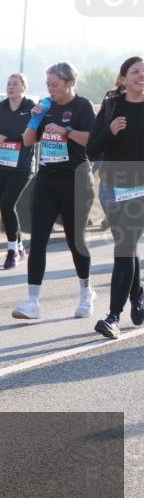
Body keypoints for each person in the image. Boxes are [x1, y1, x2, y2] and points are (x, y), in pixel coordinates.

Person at [12, 63, 96, 321]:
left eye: (55, 85)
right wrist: (35, 117)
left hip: (75, 180)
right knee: (37, 240)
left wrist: (66, 131)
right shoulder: (45, 105)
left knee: (75, 240)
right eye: (48, 85)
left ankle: (85, 292)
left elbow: (91, 139)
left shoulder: (82, 106)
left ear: (69, 83)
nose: (51, 90)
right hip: (47, 179)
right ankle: (32, 301)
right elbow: (27, 140)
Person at [88, 56, 144, 339]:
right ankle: (139, 292)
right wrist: (110, 132)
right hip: (112, 186)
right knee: (127, 249)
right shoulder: (111, 105)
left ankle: (113, 317)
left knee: (123, 247)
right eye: (135, 71)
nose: (141, 75)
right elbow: (92, 149)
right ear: (123, 78)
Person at [0, 74, 36, 268]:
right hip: (0, 165)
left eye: (16, 84)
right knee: (5, 207)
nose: (11, 87)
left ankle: (12, 251)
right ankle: (19, 245)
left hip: (21, 167)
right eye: (8, 83)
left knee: (8, 204)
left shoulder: (32, 109)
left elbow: (37, 134)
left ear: (24, 88)